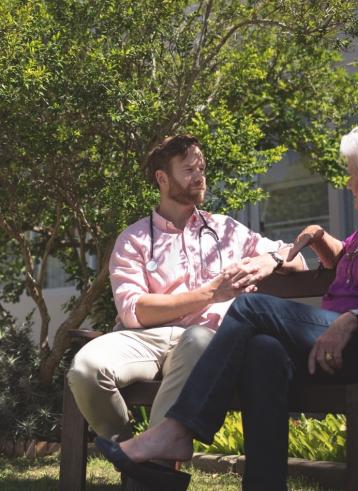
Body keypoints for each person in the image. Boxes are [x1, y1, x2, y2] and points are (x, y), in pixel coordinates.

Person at [96, 122, 358, 490]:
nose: (347, 182)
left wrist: (353, 320)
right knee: (263, 352)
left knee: (250, 307)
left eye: (353, 173)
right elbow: (346, 260)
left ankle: (178, 429)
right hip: (331, 341)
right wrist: (316, 235)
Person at [68, 135, 305, 488]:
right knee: (85, 369)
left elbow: (297, 259)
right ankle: (129, 450)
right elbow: (135, 311)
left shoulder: (226, 230)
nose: (200, 177)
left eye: (202, 168)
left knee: (197, 339)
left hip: (205, 341)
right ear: (162, 179)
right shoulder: (133, 239)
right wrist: (210, 293)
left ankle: (150, 475)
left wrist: (269, 259)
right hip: (144, 337)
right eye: (189, 169)